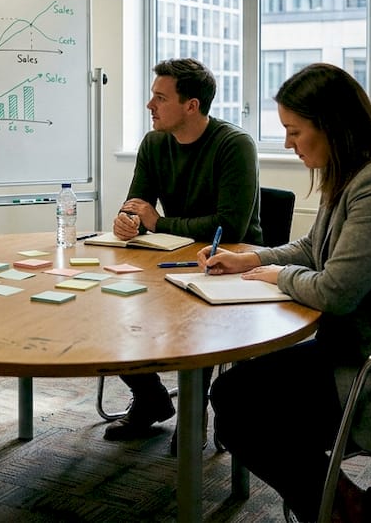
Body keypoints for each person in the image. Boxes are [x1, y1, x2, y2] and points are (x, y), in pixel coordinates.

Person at [199, 63, 371, 523]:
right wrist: (253, 259)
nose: (288, 143)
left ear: (331, 126)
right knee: (237, 394)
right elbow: (315, 248)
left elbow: (336, 291)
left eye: (294, 131)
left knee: (244, 406)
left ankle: (346, 511)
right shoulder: (350, 173)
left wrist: (276, 277)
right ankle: (348, 506)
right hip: (360, 348)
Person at [102, 58, 262, 446]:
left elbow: (230, 227)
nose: (149, 105)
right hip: (169, 256)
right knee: (110, 305)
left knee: (199, 320)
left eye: (160, 97)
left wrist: (157, 223)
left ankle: (196, 414)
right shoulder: (155, 142)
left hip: (231, 262)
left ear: (191, 106)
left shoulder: (234, 145)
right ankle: (150, 397)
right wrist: (128, 221)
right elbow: (137, 204)